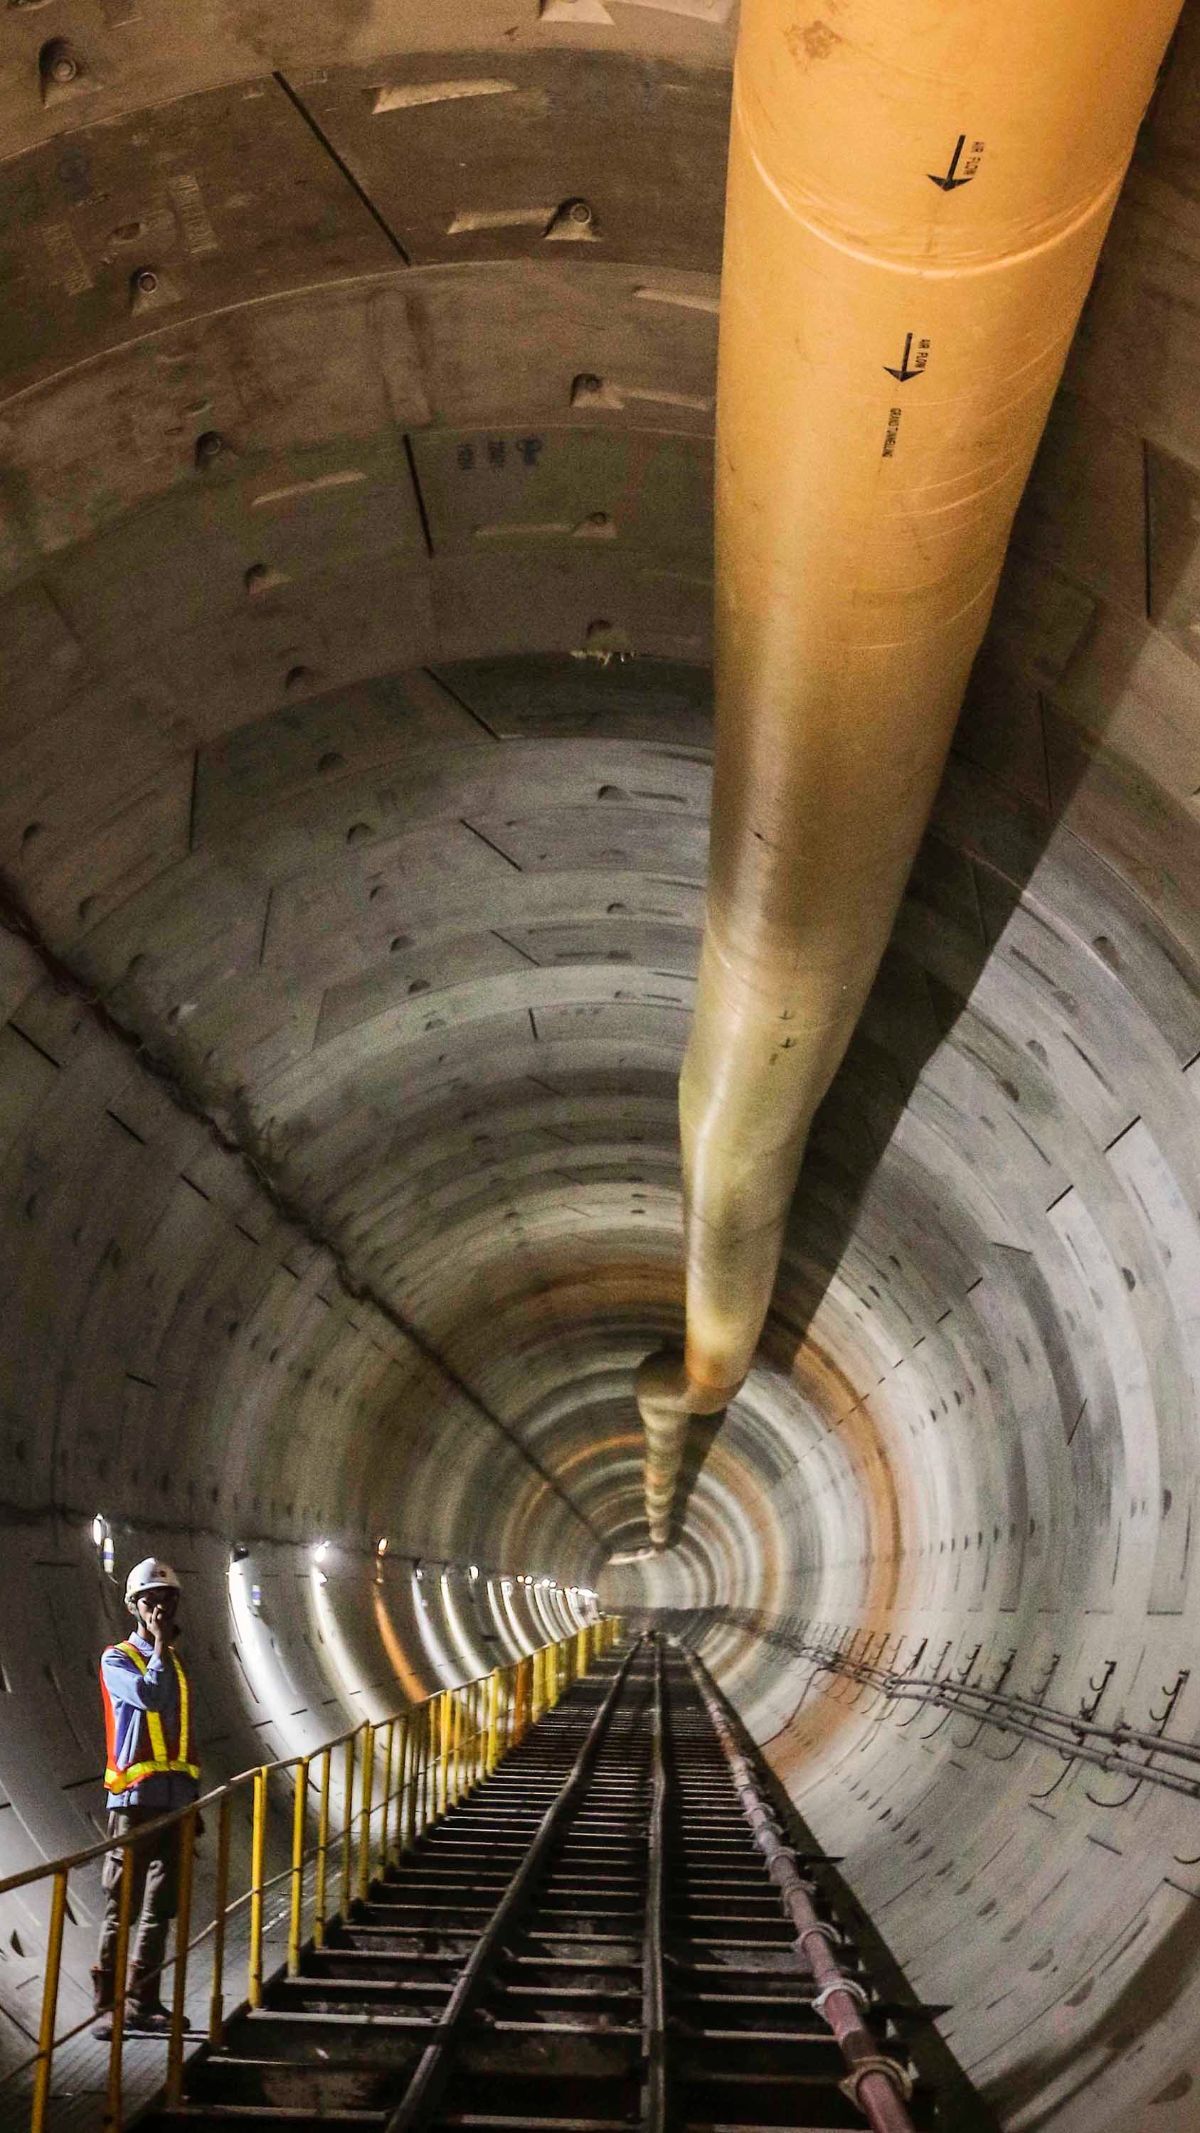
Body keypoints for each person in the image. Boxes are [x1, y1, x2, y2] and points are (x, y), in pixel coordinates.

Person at [92, 1559, 201, 2037]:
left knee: (162, 1909)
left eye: (168, 1599)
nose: (160, 1607)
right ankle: (107, 2008)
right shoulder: (117, 1658)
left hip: (175, 1801)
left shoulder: (174, 1663)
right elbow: (151, 1700)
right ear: (134, 1607)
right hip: (134, 1804)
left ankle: (144, 2001)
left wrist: (190, 1801)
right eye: (150, 1600)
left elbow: (179, 1735)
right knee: (124, 1908)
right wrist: (159, 1643)